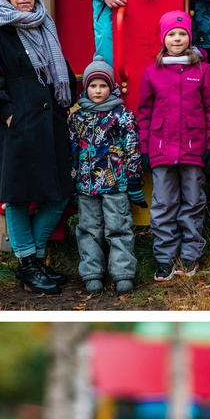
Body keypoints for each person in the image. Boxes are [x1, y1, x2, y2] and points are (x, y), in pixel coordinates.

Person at [0, 0, 80, 294]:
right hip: (18, 127)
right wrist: (7, 113)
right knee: (18, 199)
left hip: (50, 125)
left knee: (60, 194)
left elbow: (60, 69)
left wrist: (66, 105)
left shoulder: (44, 24)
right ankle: (29, 264)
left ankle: (34, 259)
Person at [131, 10, 210, 280]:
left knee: (193, 202)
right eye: (171, 34)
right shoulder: (153, 73)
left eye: (182, 34)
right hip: (161, 148)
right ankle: (164, 258)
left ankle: (190, 255)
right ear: (163, 39)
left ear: (190, 38)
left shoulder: (203, 71)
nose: (177, 38)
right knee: (163, 204)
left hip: (195, 148)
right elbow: (145, 113)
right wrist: (145, 148)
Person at [67, 60, 143, 294]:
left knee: (118, 228)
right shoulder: (77, 119)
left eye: (103, 86)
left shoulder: (122, 116)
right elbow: (72, 152)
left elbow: (132, 147)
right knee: (89, 229)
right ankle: (92, 273)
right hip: (86, 186)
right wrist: (71, 182)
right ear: (85, 88)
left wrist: (133, 177)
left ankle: (122, 273)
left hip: (116, 185)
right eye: (93, 86)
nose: (98, 91)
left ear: (111, 88)